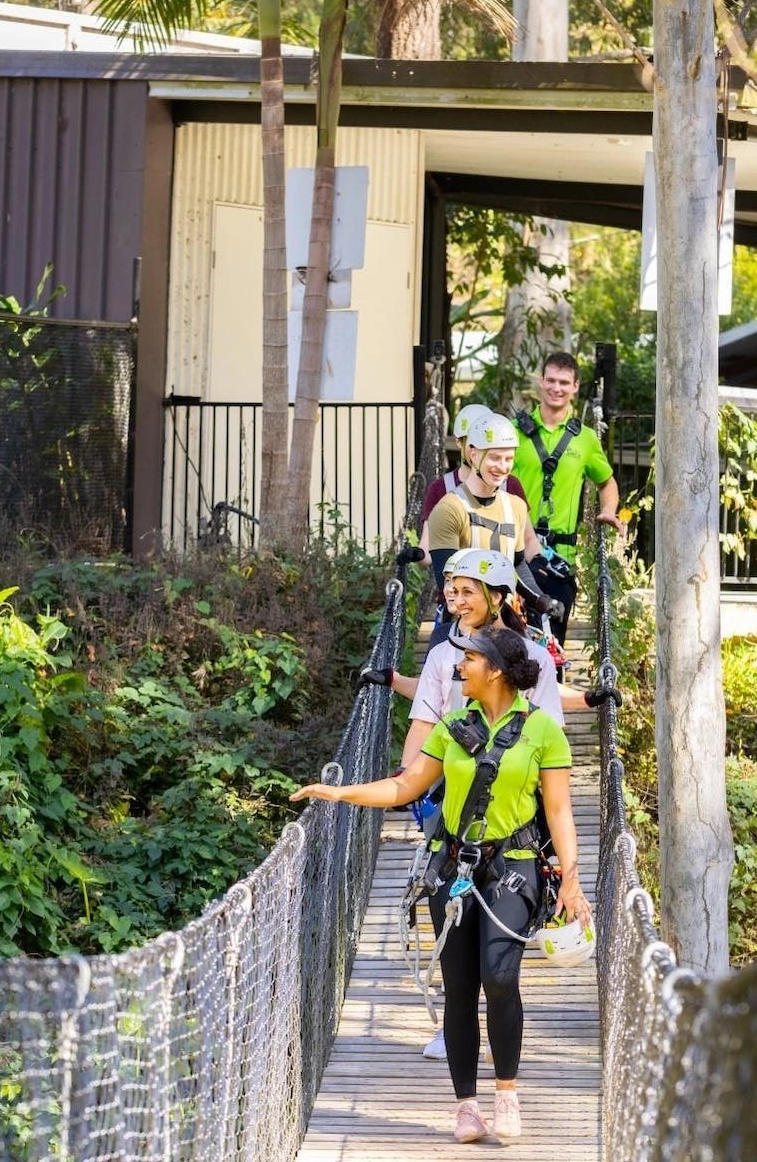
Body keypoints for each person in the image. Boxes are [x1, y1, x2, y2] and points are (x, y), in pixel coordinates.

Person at [292, 624, 592, 1144]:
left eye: (468, 660)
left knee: (500, 977)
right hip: (451, 869)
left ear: (494, 669)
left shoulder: (543, 730)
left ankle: (506, 1092)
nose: (458, 667)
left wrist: (571, 880)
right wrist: (339, 795)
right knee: (458, 987)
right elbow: (405, 785)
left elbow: (561, 811)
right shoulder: (453, 726)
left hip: (513, 866)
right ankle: (467, 1106)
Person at [512, 352, 622, 643]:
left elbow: (606, 482)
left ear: (575, 386)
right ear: (541, 381)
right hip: (515, 551)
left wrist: (609, 509)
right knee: (512, 645)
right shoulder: (513, 433)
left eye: (564, 382)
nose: (556, 388)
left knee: (552, 644)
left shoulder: (585, 439)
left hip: (559, 559)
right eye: (550, 380)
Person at [425, 413, 542, 598]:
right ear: (474, 455)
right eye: (494, 458)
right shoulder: (448, 509)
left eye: (508, 459)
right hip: (463, 616)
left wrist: (539, 599)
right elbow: (448, 582)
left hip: (506, 617)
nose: (503, 467)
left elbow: (518, 565)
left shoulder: (515, 506)